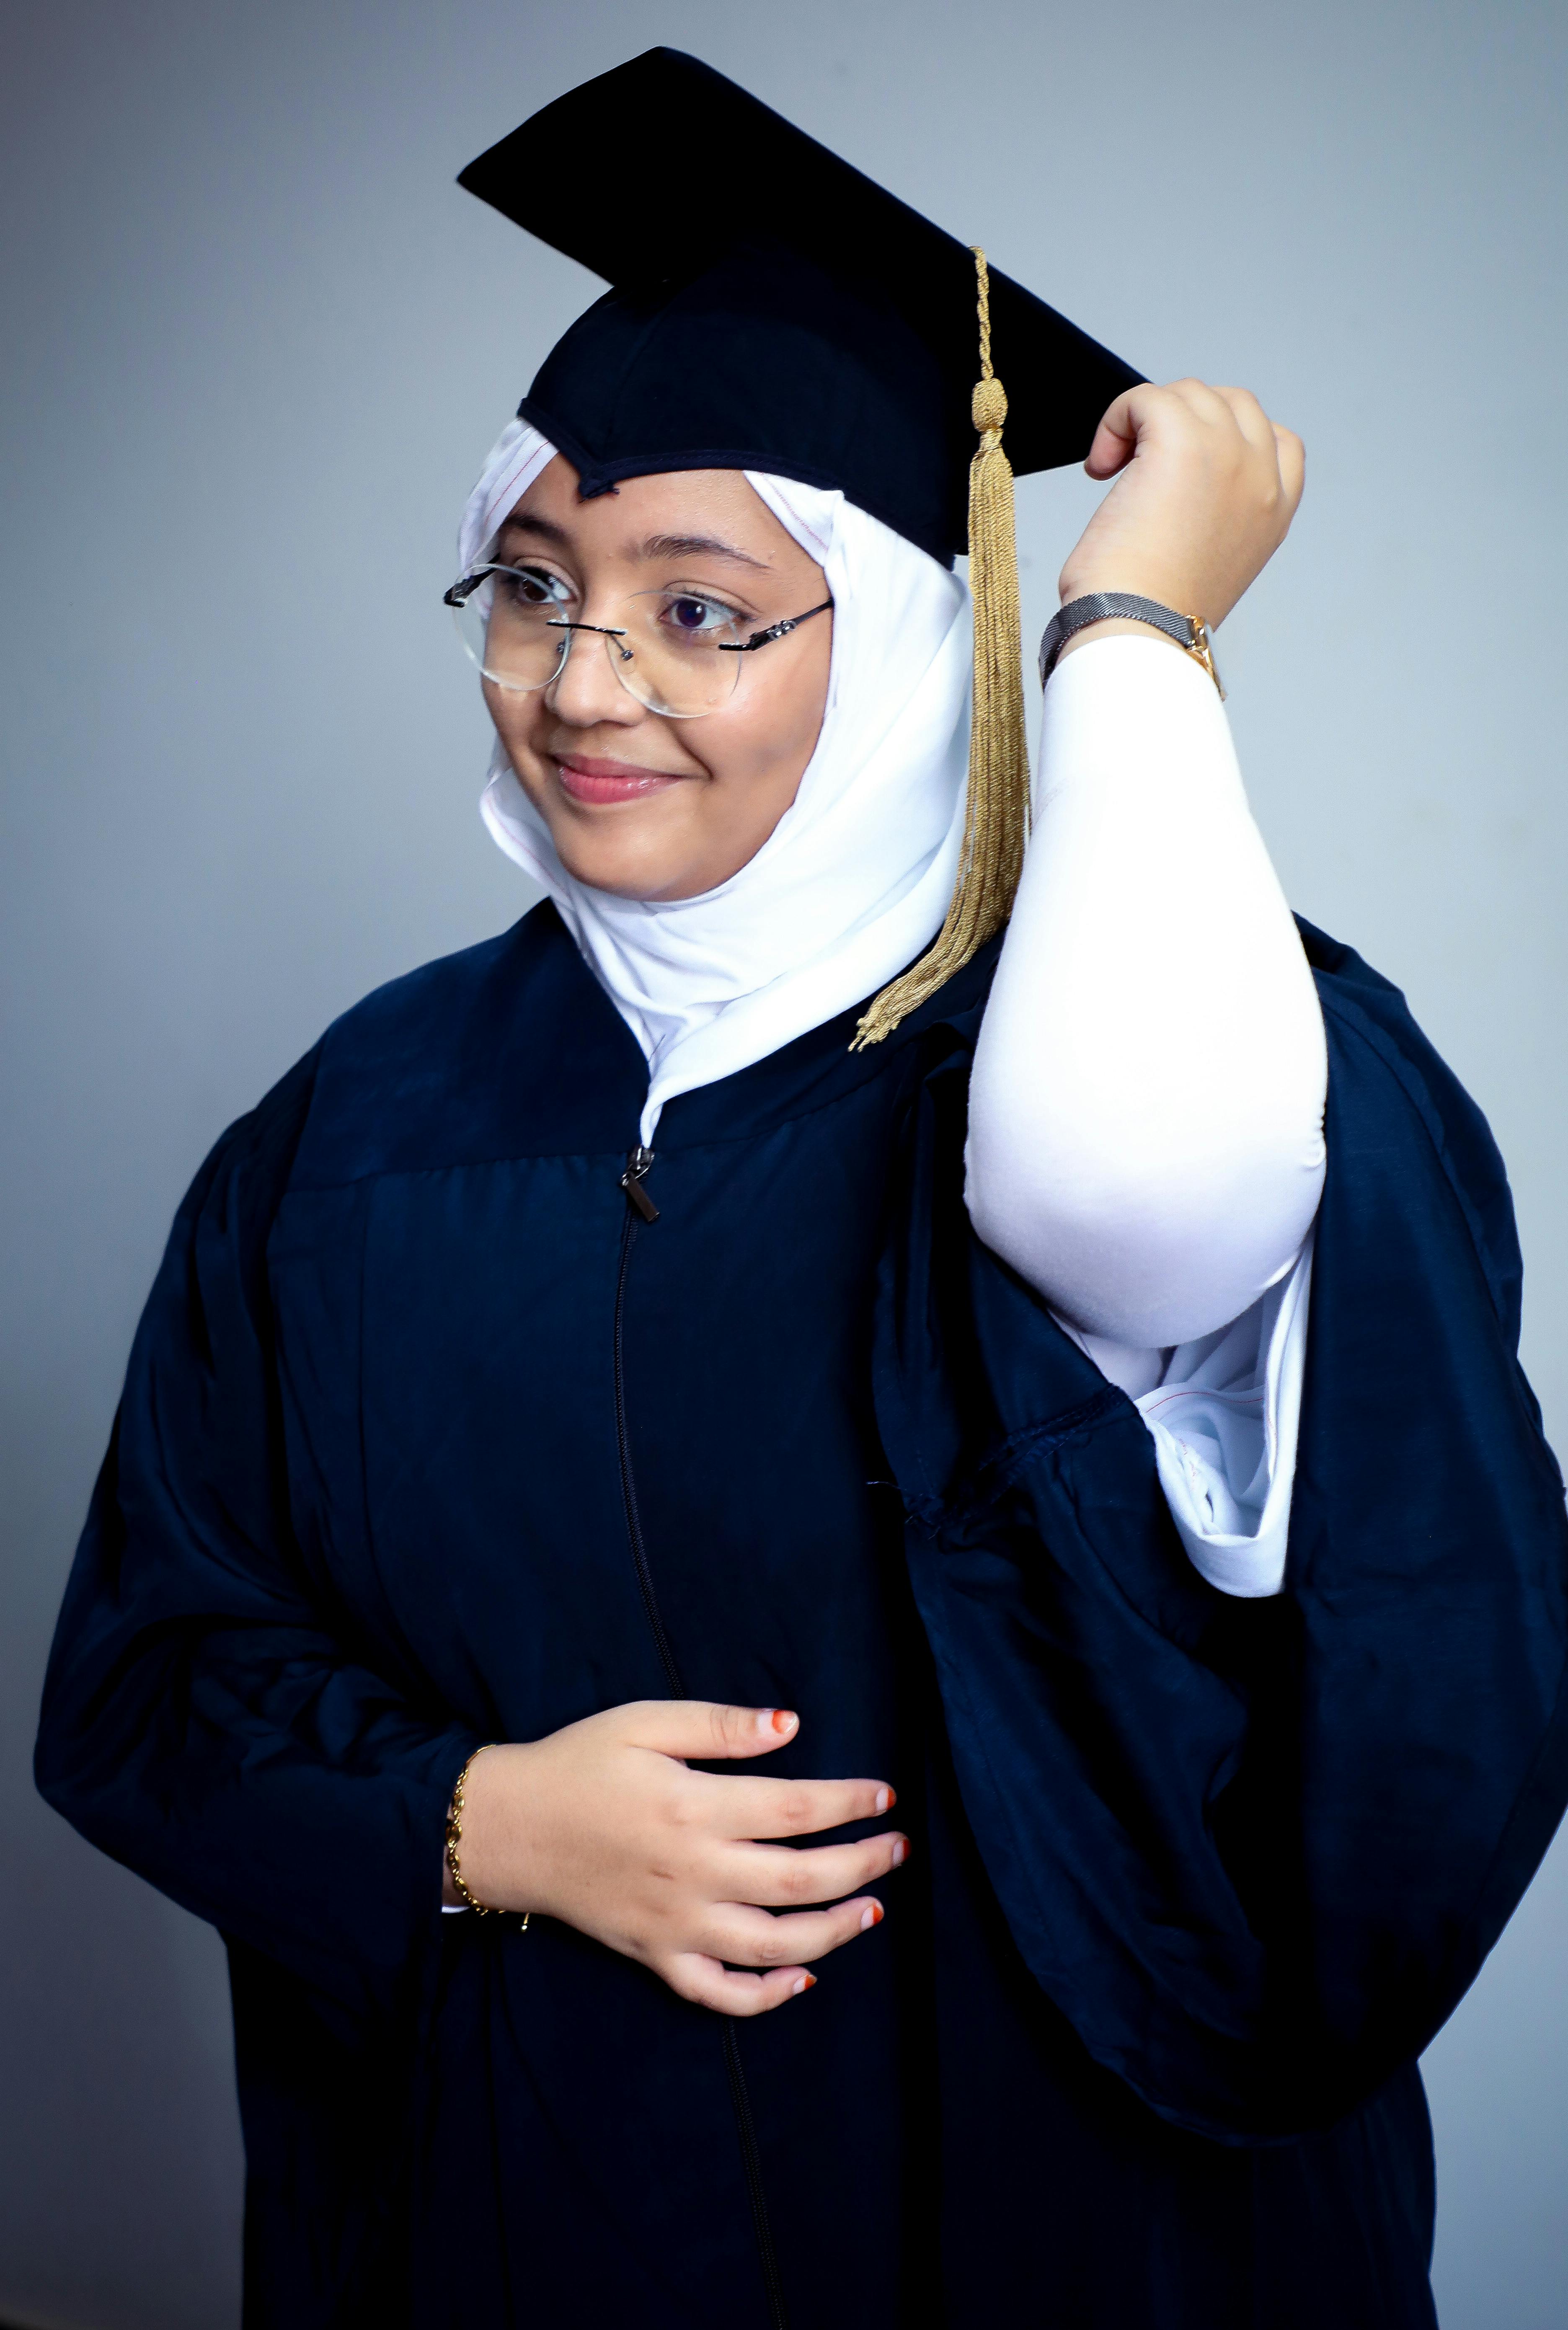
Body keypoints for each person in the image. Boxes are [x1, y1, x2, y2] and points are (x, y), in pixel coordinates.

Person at [35, 47, 1568, 2330]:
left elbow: (1423, 1685)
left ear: (912, 644)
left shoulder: (1215, 1058)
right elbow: (155, 1672)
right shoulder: (357, 1130)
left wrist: (1133, 636)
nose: (583, 685)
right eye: (531, 585)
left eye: (704, 609)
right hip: (524, 2236)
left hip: (1062, 2245)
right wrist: (470, 1824)